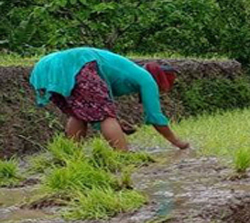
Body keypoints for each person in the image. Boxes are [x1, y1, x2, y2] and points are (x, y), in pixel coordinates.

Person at [29, 47, 190, 152]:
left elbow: (93, 105)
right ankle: (123, 155)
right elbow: (155, 117)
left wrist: (117, 123)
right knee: (106, 116)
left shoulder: (128, 71)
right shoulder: (147, 79)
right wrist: (177, 142)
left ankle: (72, 155)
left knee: (78, 114)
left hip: (46, 66)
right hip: (78, 63)